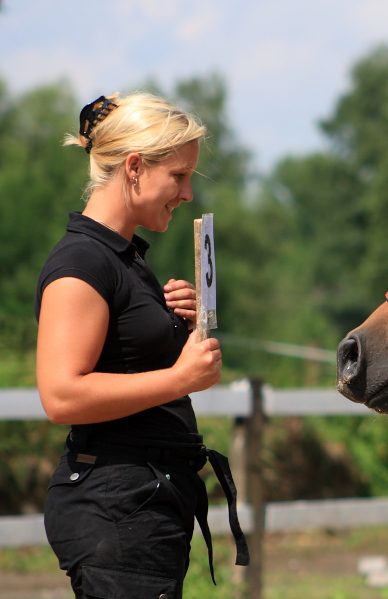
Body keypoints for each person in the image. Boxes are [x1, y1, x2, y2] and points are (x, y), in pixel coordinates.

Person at [34, 93, 248, 599]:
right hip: (117, 507)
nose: (188, 193)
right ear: (134, 167)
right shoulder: (84, 262)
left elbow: (125, 363)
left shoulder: (122, 259)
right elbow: (61, 395)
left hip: (137, 502)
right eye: (178, 176)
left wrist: (174, 325)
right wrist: (179, 378)